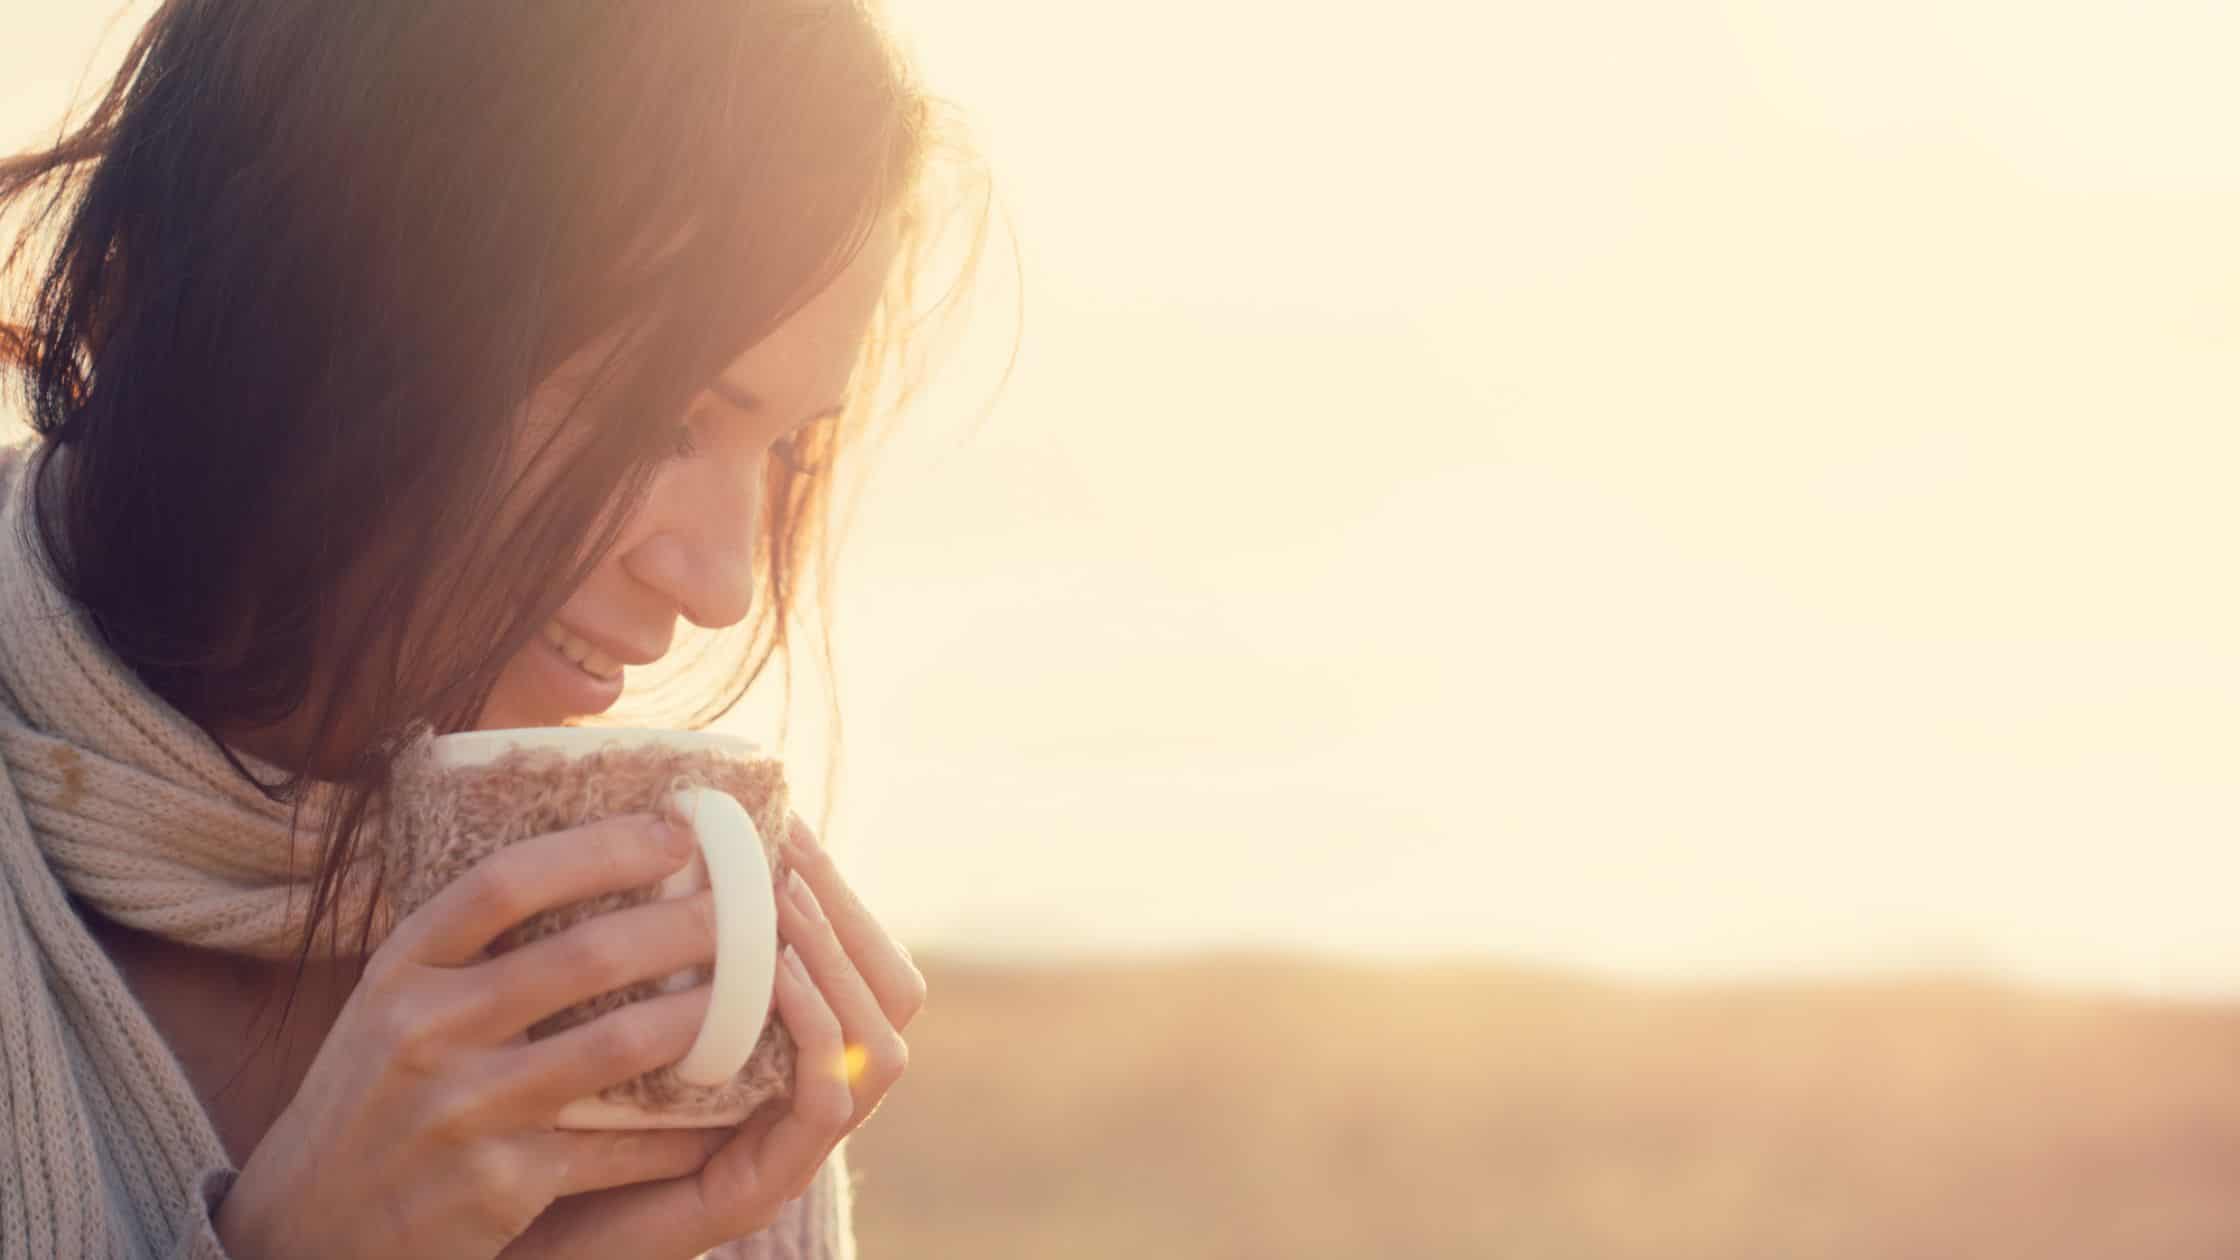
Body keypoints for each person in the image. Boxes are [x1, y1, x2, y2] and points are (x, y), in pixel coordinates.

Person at [0, 3, 992, 1257]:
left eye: (786, 446)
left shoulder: (648, 993)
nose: (722, 585)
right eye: (658, 420)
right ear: (310, 293)